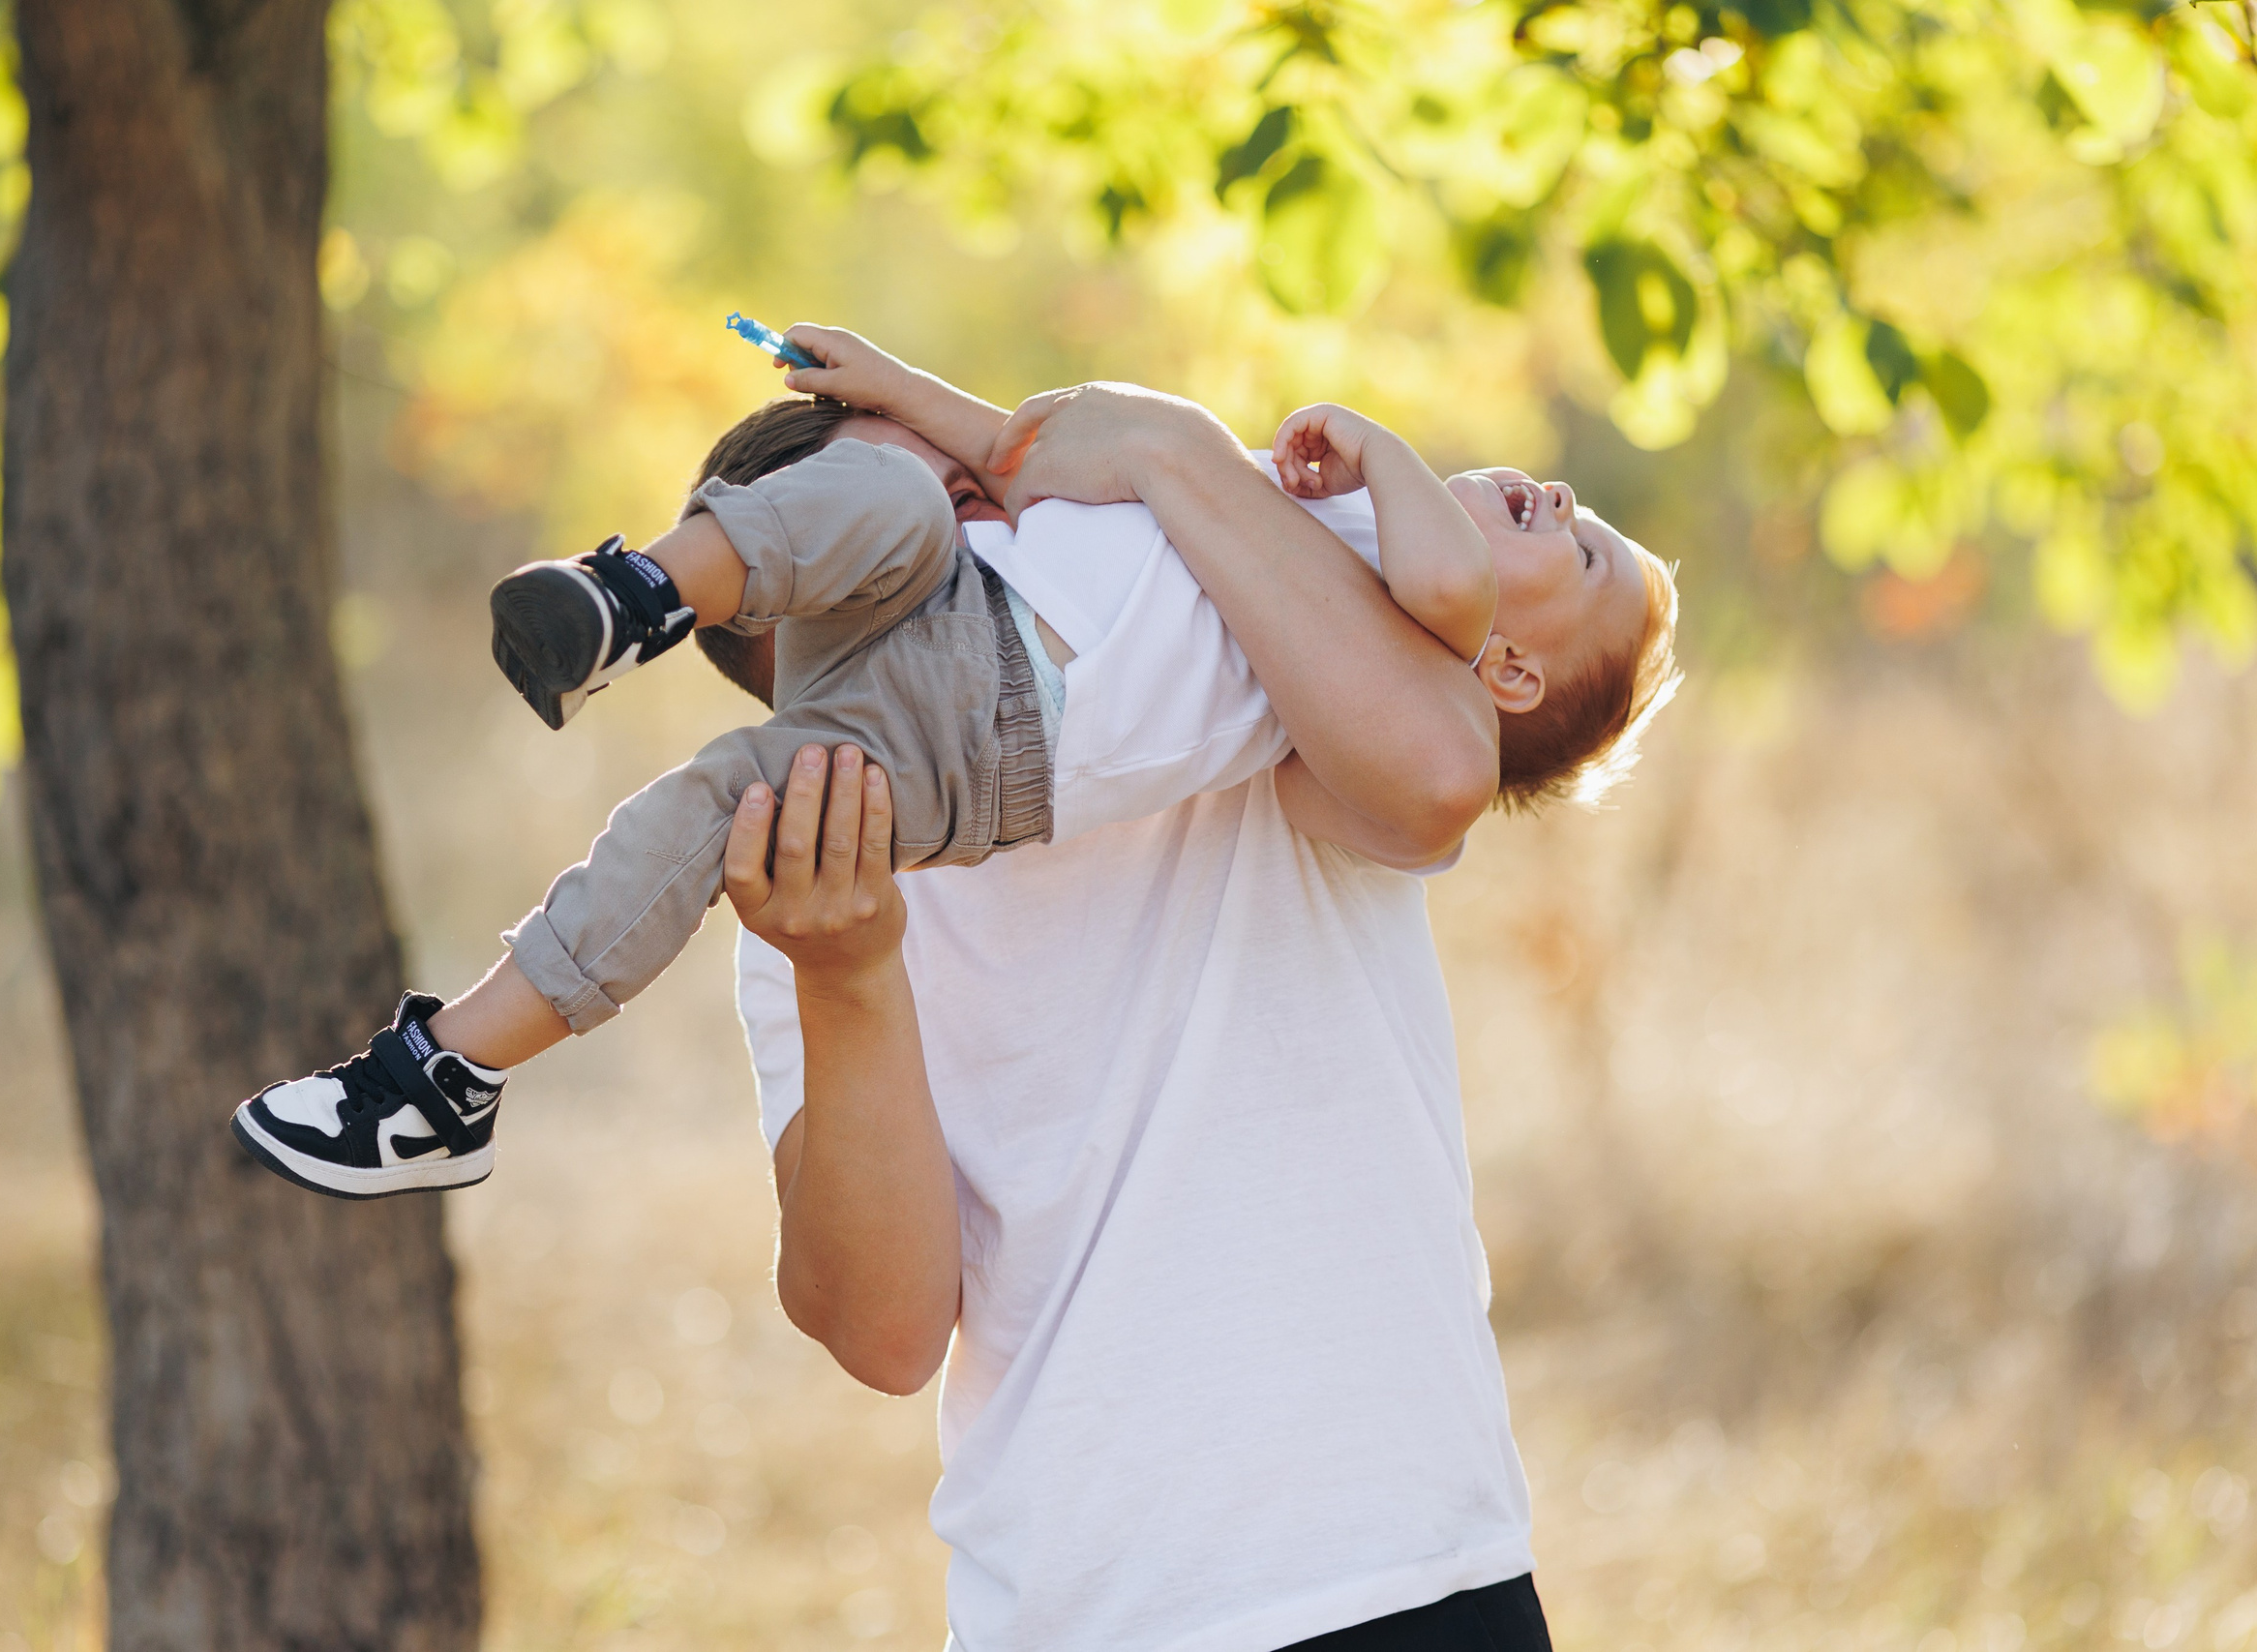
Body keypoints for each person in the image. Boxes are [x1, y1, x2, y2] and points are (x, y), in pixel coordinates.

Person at [227, 329, 1677, 1204]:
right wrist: (903, 384)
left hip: (987, 739)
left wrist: (1378, 448)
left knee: (700, 818)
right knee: (891, 495)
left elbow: (1445, 597)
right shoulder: (1276, 518)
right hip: (963, 623)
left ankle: (445, 1072)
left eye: (1586, 542)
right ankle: (635, 601)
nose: (1558, 494)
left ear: (1507, 675)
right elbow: (1026, 456)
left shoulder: (1398, 628)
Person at [725, 375, 1673, 1649]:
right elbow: (887, 1332)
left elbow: (1441, 770)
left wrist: (1176, 453)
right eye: (913, 519)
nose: (1006, 537)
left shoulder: (1254, 670)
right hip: (1076, 1609)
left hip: (1402, 1569)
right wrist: (846, 975)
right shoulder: (803, 884)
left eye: (974, 493)